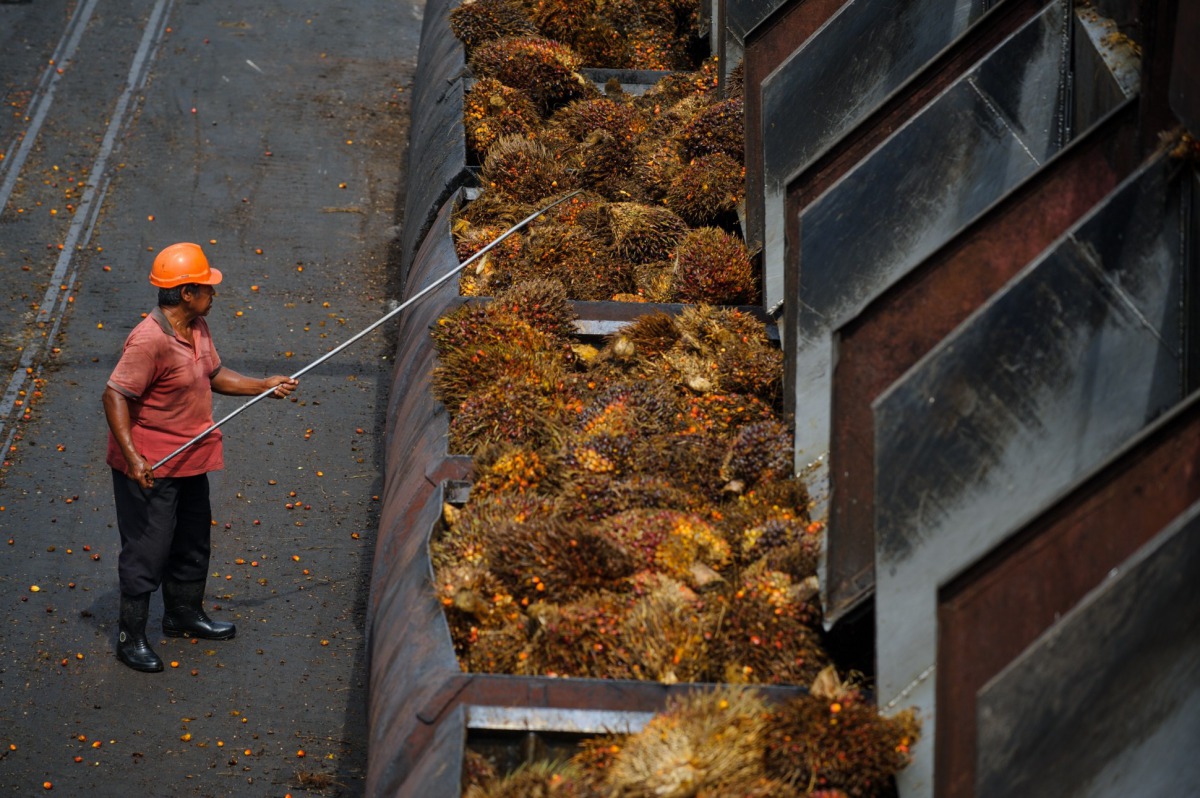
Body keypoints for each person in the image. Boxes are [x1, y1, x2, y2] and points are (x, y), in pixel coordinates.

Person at [103, 242, 298, 672]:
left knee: (192, 541)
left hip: (191, 457)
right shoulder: (148, 341)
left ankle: (182, 614)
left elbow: (213, 375)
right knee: (148, 549)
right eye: (207, 287)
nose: (215, 293)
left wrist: (263, 384)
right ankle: (129, 637)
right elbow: (115, 395)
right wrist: (134, 458)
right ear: (187, 292)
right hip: (151, 466)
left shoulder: (196, 327)